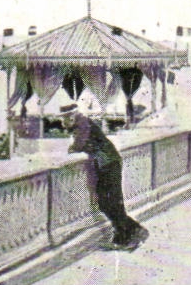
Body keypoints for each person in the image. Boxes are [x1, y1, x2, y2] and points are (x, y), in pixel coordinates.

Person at [61, 103, 148, 251]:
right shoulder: (83, 123)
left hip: (108, 164)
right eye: (64, 117)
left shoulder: (82, 123)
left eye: (67, 116)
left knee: (109, 203)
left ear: (74, 115)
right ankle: (132, 231)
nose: (65, 120)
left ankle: (128, 234)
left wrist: (71, 148)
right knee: (109, 203)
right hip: (108, 163)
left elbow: (79, 144)